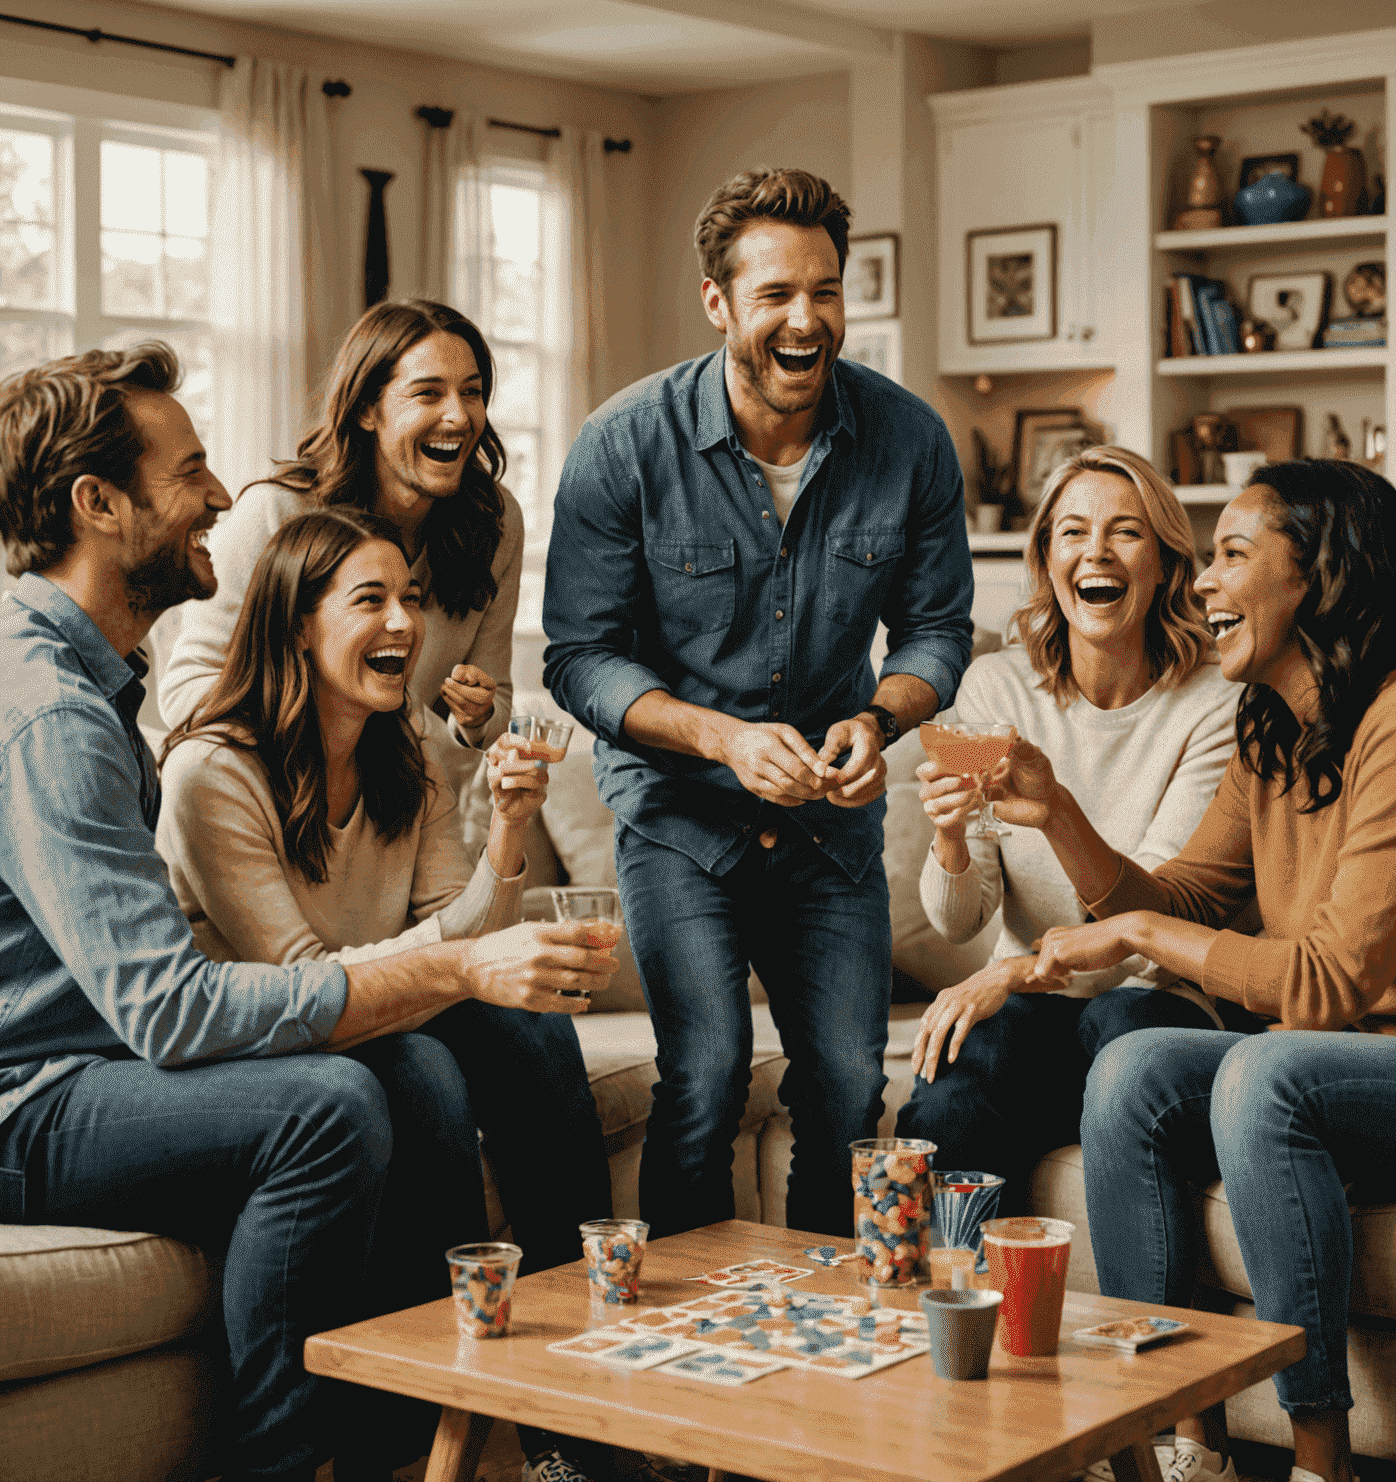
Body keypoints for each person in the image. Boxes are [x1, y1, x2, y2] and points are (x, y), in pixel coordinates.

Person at [0, 344, 614, 1482]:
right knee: (324, 1106)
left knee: (417, 1071)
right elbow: (170, 1013)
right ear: (97, 505)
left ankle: (511, 1416)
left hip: (86, 1065)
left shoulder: (92, 684)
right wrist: (457, 972)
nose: (224, 498)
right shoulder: (52, 712)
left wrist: (477, 930)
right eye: (189, 473)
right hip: (28, 1100)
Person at [1030, 460, 1396, 1482]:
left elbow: (1325, 986)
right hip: (1365, 1060)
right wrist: (1054, 813)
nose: (1201, 583)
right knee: (1132, 1073)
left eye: (1230, 556)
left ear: (1318, 578)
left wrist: (1134, 939)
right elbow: (1176, 903)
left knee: (1270, 1070)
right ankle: (1187, 1445)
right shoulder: (1276, 731)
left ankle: (1319, 1462)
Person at [543, 167, 974, 1238]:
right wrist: (721, 738)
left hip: (829, 827)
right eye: (777, 293)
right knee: (704, 1077)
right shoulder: (622, 444)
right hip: (679, 818)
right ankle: (686, 1357)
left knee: (843, 1091)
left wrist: (880, 720)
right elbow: (578, 659)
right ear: (718, 302)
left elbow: (938, 632)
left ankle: (824, 1342)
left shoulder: (910, 441)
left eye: (824, 292)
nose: (805, 319)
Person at [156, 503, 614, 1482]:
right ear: (296, 623)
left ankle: (574, 1431)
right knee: (417, 1069)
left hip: (373, 1008)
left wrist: (505, 836)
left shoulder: (402, 752)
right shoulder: (212, 771)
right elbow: (294, 984)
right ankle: (403, 1441)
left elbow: (467, 937)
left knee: (528, 1035)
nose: (406, 623)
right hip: (257, 1045)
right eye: (372, 600)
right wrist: (454, 965)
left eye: (410, 598)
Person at [895, 447, 1242, 1210]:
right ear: (1047, 560)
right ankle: (946, 1305)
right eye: (1074, 532)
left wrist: (1010, 970)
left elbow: (1145, 919)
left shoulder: (1214, 701)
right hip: (1033, 1012)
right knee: (954, 1089)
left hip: (1159, 997)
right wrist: (952, 836)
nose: (1097, 552)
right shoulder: (996, 684)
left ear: (1164, 565)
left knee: (1119, 1019)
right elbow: (959, 924)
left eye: (1127, 533)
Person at [159, 298, 521, 840]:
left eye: (472, 392)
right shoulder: (275, 514)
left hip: (401, 823)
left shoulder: (494, 522)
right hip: (273, 817)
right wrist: (326, 740)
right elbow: (187, 689)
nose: (459, 416)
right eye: (428, 393)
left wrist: (476, 717)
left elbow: (496, 708)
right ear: (367, 409)